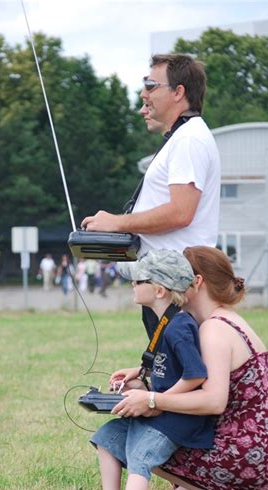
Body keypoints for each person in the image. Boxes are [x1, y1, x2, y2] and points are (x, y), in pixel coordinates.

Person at [111, 246, 268, 490]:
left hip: (244, 450)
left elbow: (214, 401)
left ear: (196, 282)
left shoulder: (214, 330)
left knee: (143, 441)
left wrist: (153, 401)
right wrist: (142, 374)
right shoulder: (221, 321)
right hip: (266, 445)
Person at [76, 250, 215, 490]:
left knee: (140, 455)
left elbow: (196, 375)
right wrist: (138, 373)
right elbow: (166, 366)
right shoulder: (163, 321)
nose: (132, 285)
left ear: (159, 290)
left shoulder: (179, 326)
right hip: (163, 411)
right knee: (107, 437)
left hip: (180, 419)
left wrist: (154, 398)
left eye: (137, 281)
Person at [81, 53, 221, 335]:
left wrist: (117, 223)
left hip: (174, 287)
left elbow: (181, 212)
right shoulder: (184, 138)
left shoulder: (189, 139)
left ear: (179, 92)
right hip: (167, 284)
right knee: (167, 371)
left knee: (183, 373)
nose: (143, 94)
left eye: (151, 85)